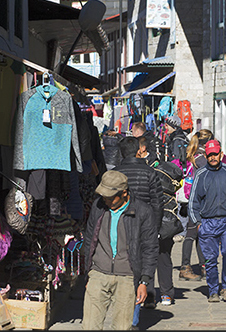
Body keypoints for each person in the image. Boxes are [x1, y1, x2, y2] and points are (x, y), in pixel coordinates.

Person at [82, 171, 159, 330]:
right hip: (99, 272)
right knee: (89, 326)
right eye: (104, 196)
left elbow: (150, 248)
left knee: (122, 327)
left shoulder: (143, 211)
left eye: (110, 197)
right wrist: (88, 272)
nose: (106, 200)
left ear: (124, 193)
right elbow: (89, 239)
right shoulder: (98, 206)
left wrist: (144, 281)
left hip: (127, 276)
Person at [188, 139, 226, 302]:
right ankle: (213, 290)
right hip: (207, 223)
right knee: (211, 259)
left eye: (215, 154)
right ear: (206, 156)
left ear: (221, 154)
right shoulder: (200, 174)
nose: (213, 157)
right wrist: (198, 222)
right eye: (210, 154)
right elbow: (193, 201)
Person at [113, 137, 164, 312]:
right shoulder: (150, 172)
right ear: (138, 151)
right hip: (146, 221)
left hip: (122, 221)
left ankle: (129, 300)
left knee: (127, 259)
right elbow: (158, 202)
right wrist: (156, 226)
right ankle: (147, 295)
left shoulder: (116, 173)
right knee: (146, 256)